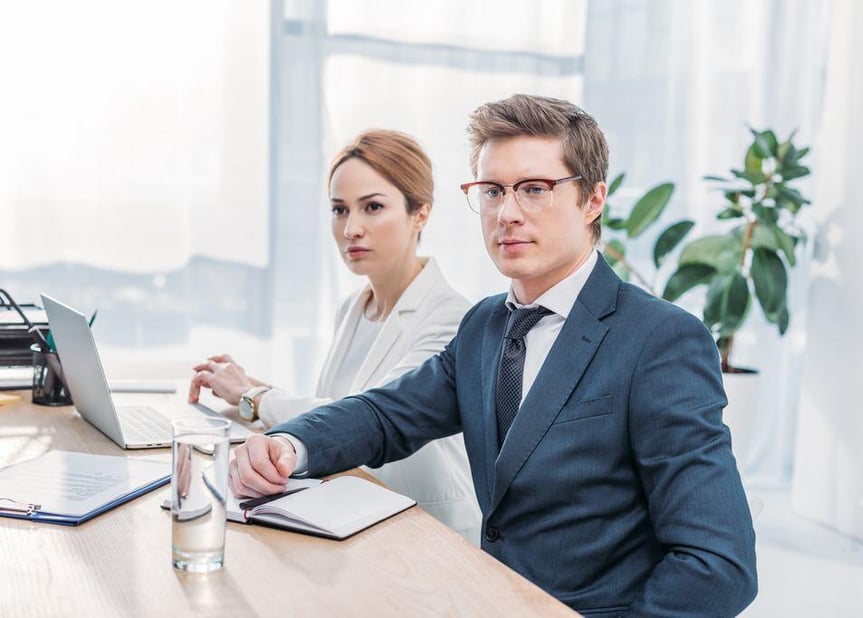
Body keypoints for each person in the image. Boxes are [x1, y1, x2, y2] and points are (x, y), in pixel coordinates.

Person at [229, 95, 758, 616]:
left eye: (534, 189)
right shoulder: (484, 324)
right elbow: (388, 414)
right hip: (485, 593)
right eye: (491, 191)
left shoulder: (661, 339)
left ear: (593, 200)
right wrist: (289, 446)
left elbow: (719, 565)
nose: (506, 213)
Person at [188, 129, 481, 544]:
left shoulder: (452, 317)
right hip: (350, 517)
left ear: (421, 213)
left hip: (425, 532)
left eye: (373, 207)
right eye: (339, 210)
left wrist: (255, 398)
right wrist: (252, 392)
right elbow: (334, 409)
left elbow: (363, 421)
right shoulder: (353, 308)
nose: (351, 229)